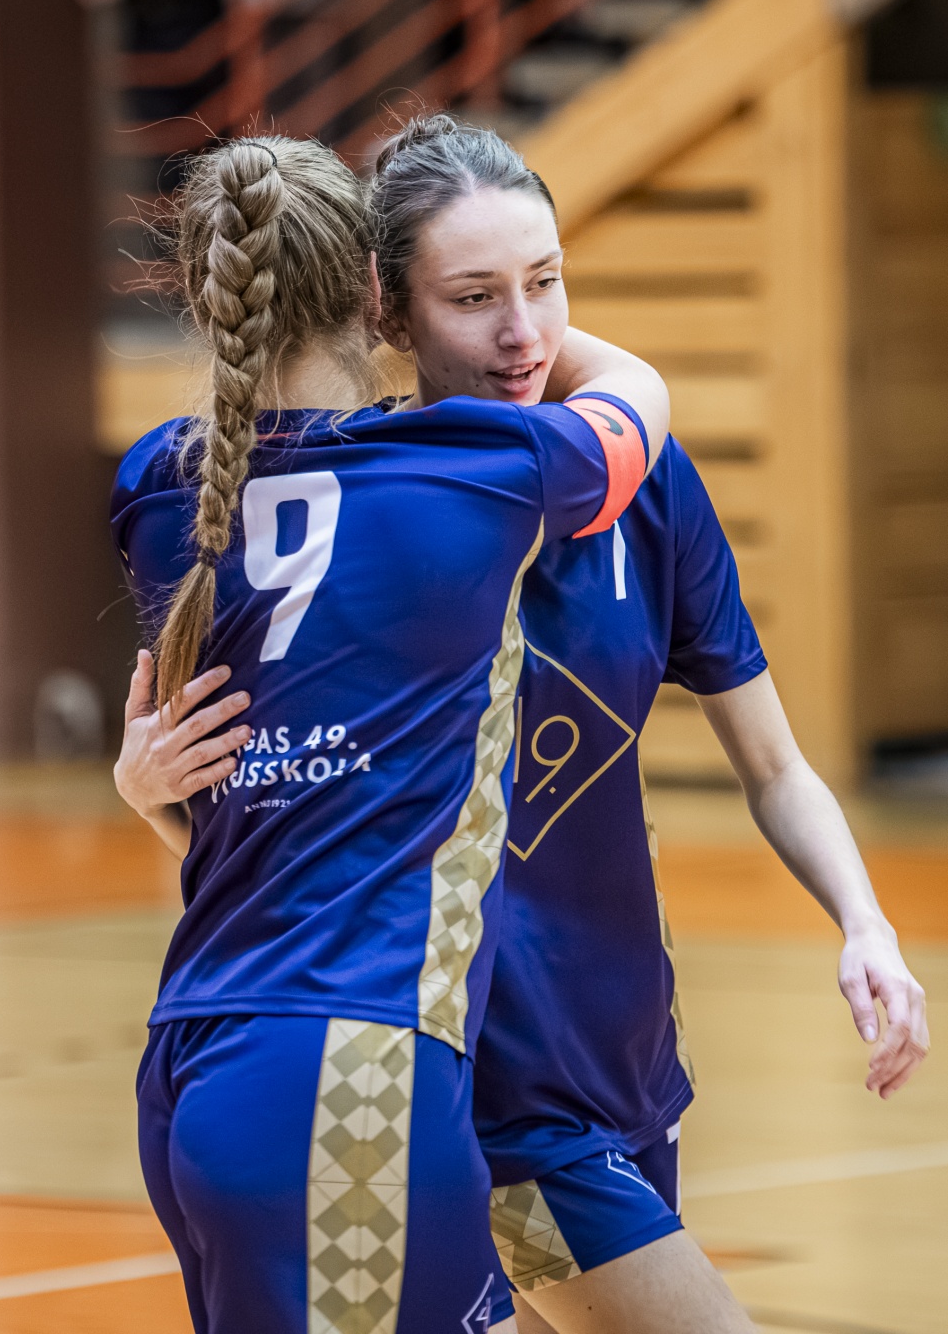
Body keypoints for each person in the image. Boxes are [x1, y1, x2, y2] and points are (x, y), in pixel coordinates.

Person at [116, 119, 928, 1334]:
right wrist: (151, 796)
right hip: (470, 1083)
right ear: (383, 307)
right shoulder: (438, 486)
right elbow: (281, 833)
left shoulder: (641, 490)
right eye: (473, 296)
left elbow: (775, 765)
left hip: (618, 1061)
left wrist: (864, 921)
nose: (522, 333)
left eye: (547, 281)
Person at [110, 131, 668, 1334]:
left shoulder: (156, 490)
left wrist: (139, 791)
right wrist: (535, 311)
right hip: (351, 1073)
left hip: (195, 1053)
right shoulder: (480, 470)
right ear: (377, 293)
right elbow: (637, 408)